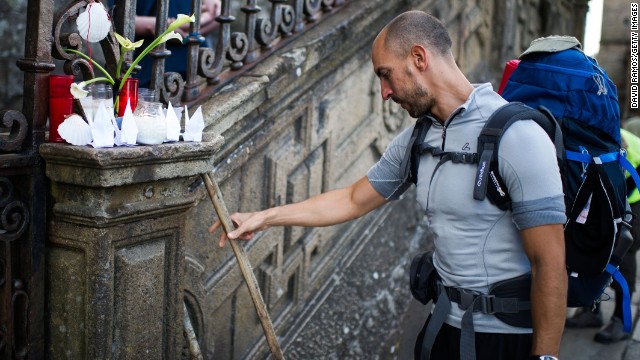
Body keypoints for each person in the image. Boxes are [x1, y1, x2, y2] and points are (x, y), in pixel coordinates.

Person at [209, 10, 567, 360]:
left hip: (504, 341)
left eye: (386, 74)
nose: (383, 92)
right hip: (441, 330)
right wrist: (265, 217)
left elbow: (549, 264)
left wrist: (546, 357)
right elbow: (351, 199)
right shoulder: (418, 139)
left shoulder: (519, 137)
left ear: (418, 58)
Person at [565, 124, 640, 344]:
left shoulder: (613, 138)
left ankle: (622, 320)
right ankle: (593, 310)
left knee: (621, 255)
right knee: (590, 247)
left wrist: (620, 205)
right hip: (605, 193)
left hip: (634, 199)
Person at [110, 0, 221, 87]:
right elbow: (116, 18)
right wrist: (171, 26)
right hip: (150, 66)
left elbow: (216, 11)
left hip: (198, 63)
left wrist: (189, 30)